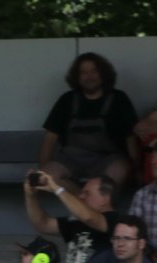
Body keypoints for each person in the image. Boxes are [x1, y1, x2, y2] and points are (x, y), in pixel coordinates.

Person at [38, 52, 137, 191]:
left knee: (119, 172)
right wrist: (42, 171)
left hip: (109, 159)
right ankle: (82, 199)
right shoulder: (66, 100)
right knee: (47, 177)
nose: (89, 76)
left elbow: (131, 137)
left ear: (103, 74)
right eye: (83, 73)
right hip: (71, 159)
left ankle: (90, 200)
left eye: (94, 71)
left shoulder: (119, 99)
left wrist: (136, 168)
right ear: (77, 77)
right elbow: (50, 138)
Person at [23, 170, 114, 263]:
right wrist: (30, 195)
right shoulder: (76, 222)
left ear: (105, 199)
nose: (81, 196)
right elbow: (42, 223)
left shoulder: (117, 221)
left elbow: (91, 218)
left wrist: (56, 189)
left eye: (87, 193)